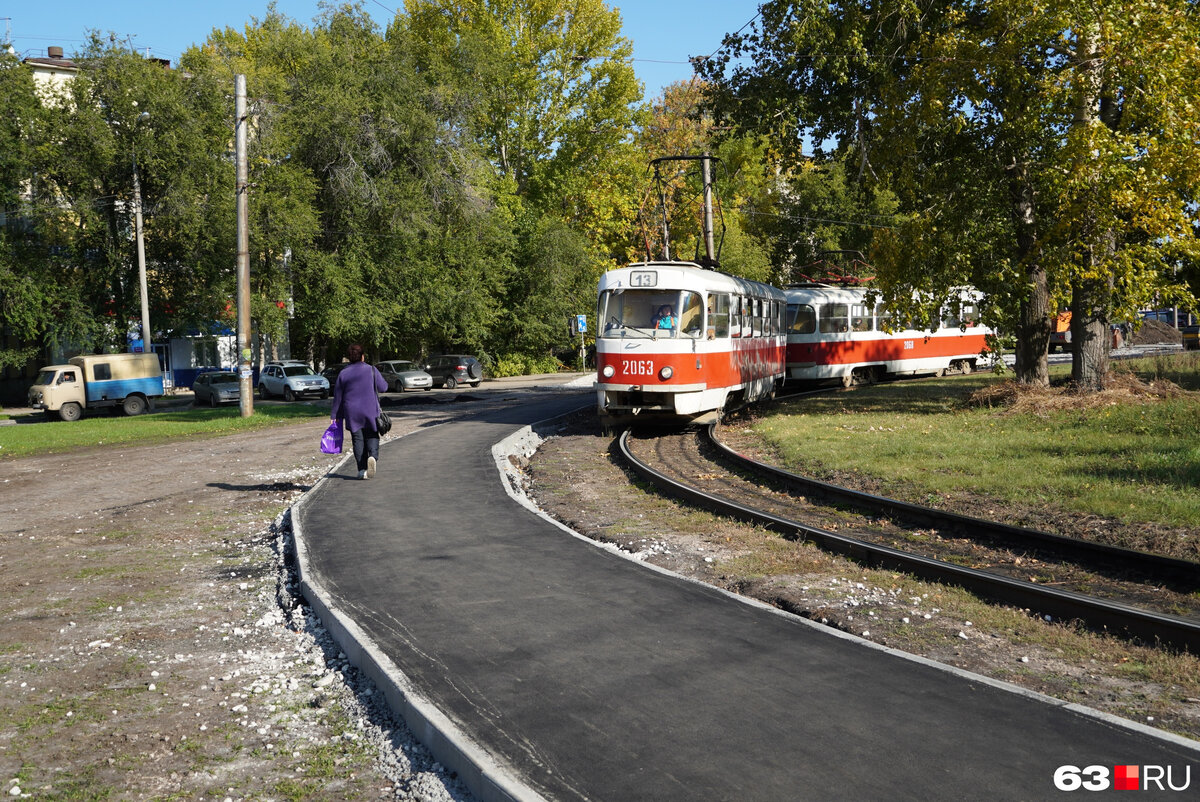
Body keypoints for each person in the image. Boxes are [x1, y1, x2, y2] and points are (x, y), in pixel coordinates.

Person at [330, 344, 388, 480]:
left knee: (358, 440)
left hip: (352, 412)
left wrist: (335, 415)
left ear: (349, 358)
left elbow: (338, 397)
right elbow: (383, 387)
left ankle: (362, 470)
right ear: (363, 356)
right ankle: (373, 456)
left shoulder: (343, 373)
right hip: (370, 410)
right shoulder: (371, 370)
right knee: (372, 435)